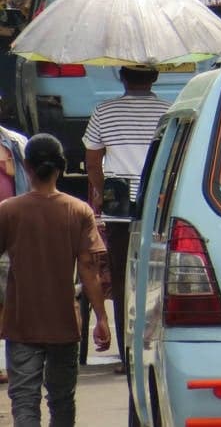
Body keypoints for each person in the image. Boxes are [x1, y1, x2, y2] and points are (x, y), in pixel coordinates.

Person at [0, 134, 111, 425]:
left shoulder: (9, 211)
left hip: (21, 322)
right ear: (61, 168)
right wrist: (101, 317)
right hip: (64, 324)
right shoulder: (78, 211)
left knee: (24, 400)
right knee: (62, 401)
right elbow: (89, 269)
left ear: (27, 167)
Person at [83, 65, 171, 371]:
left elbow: (93, 160)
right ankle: (153, 350)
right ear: (155, 77)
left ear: (122, 76)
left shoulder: (104, 111)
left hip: (118, 208)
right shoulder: (168, 112)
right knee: (156, 278)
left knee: (122, 280)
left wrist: (100, 190)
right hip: (154, 206)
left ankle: (126, 356)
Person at [0, 124, 28, 385]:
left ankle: (5, 363)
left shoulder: (15, 142)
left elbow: (28, 180)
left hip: (10, 232)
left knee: (8, 299)